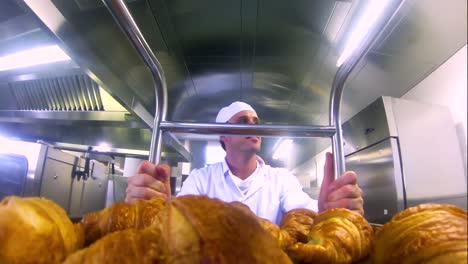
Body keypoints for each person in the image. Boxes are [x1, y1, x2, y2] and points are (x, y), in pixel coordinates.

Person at [125, 101, 363, 224]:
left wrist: (326, 212)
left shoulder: (281, 179)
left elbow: (304, 213)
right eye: (243, 120)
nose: (254, 125)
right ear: (224, 136)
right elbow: (180, 219)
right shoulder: (201, 178)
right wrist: (158, 210)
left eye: (256, 120)